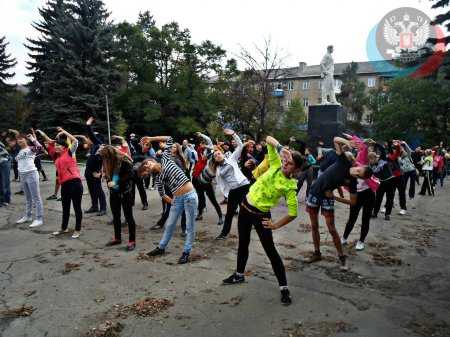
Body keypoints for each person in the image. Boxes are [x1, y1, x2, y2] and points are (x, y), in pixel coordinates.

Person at [222, 136, 304, 305]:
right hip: (245, 209)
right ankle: (239, 275)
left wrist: (275, 225)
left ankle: (284, 288)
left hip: (261, 217)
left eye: (289, 164)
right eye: (285, 160)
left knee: (271, 251)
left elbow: (293, 213)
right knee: (243, 243)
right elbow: (268, 139)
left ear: (295, 170)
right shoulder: (275, 164)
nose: (285, 164)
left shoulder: (290, 186)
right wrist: (281, 147)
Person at [306, 136, 373, 270]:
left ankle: (342, 256)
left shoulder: (352, 182)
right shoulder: (344, 161)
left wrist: (335, 197)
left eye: (359, 175)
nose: (356, 172)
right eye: (359, 170)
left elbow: (353, 202)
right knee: (314, 226)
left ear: (359, 178)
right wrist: (349, 143)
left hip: (327, 197)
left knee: (331, 228)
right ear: (359, 166)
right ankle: (317, 253)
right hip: (314, 193)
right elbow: (336, 139)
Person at [139, 136, 198, 264]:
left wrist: (150, 138)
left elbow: (169, 138)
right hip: (177, 199)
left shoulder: (166, 158)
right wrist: (174, 202)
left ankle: (186, 252)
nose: (148, 167)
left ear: (152, 160)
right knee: (170, 224)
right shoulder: (158, 179)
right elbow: (163, 195)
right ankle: (161, 247)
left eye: (148, 164)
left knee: (190, 226)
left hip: (190, 196)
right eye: (146, 169)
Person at [341, 135, 378, 251]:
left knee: (365, 219)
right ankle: (344, 237)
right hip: (356, 195)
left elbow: (363, 148)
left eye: (352, 158)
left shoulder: (361, 163)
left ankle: (361, 241)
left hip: (368, 195)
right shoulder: (346, 170)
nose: (352, 160)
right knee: (352, 218)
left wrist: (352, 137)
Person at [214, 129, 251, 240]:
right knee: (229, 213)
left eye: (219, 153)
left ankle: (251, 227)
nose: (218, 155)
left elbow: (240, 146)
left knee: (247, 209)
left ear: (222, 154)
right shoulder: (218, 169)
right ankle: (224, 233)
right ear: (215, 159)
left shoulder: (231, 159)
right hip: (233, 191)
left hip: (244, 186)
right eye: (215, 155)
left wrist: (234, 134)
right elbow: (220, 182)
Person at [47, 128, 83, 239]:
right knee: (65, 207)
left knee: (77, 208)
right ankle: (64, 228)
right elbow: (49, 144)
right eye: (56, 145)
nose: (56, 147)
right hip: (65, 185)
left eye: (59, 145)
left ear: (64, 146)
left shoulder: (69, 153)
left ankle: (77, 229)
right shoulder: (57, 159)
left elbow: (76, 141)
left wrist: (64, 131)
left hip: (75, 183)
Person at [100, 145, 137, 251]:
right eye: (104, 158)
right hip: (114, 193)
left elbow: (131, 174)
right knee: (116, 217)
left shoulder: (123, 161)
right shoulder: (107, 162)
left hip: (125, 193)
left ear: (111, 156)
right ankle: (117, 238)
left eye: (106, 157)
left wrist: (116, 181)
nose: (105, 160)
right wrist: (105, 177)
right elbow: (109, 175)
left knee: (129, 217)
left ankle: (132, 241)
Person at [192, 132, 223, 224]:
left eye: (203, 143)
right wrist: (202, 141)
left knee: (213, 200)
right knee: (200, 198)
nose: (202, 145)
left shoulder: (211, 160)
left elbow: (212, 145)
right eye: (201, 143)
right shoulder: (200, 154)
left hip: (207, 183)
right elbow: (201, 148)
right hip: (197, 179)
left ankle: (220, 217)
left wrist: (208, 146)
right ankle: (200, 214)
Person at [14, 132, 44, 228]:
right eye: (18, 139)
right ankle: (28, 216)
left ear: (25, 140)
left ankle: (39, 219)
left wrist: (32, 138)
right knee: (28, 198)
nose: (19, 141)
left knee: (36, 198)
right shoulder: (19, 151)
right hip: (22, 175)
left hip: (31, 174)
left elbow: (40, 148)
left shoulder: (31, 148)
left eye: (21, 139)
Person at [82, 117, 107, 216]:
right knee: (92, 191)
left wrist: (88, 125)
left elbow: (105, 161)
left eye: (91, 138)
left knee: (99, 190)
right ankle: (94, 206)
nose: (89, 139)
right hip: (89, 173)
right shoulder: (93, 147)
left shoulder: (100, 145)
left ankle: (103, 208)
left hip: (96, 173)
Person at [0, 139, 11, 207]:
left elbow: (4, 152)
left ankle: (5, 200)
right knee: (2, 181)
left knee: (4, 181)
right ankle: (3, 199)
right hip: (2, 162)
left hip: (4, 162)